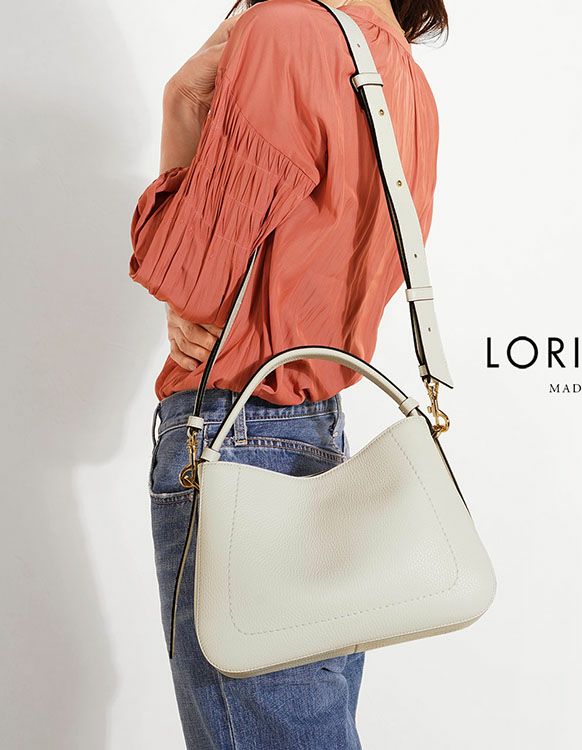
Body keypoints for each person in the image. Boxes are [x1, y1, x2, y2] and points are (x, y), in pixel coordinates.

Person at [129, 0, 448, 747]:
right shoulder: (405, 81)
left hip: (233, 435)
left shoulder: (286, 32)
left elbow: (191, 280)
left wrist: (181, 102)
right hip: (320, 443)